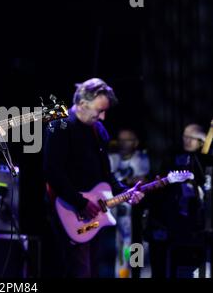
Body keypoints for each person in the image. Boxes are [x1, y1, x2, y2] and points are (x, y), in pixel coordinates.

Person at [43, 78, 145, 278]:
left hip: (94, 215)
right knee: (78, 271)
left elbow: (105, 174)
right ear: (82, 104)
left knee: (97, 270)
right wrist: (80, 201)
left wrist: (126, 192)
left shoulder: (98, 130)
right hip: (67, 212)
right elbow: (52, 172)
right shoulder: (59, 126)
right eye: (99, 111)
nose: (103, 117)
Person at [145, 123, 213, 277]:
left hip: (198, 222)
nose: (187, 141)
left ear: (202, 141)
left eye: (192, 138)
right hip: (171, 218)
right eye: (185, 136)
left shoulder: (205, 161)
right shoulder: (173, 156)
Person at [108, 129, 151, 278]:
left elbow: (140, 180)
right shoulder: (112, 158)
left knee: (135, 246)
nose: (123, 144)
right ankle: (121, 275)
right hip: (114, 214)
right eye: (120, 140)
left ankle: (136, 274)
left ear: (135, 143)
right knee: (119, 250)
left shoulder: (141, 158)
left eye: (127, 140)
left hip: (135, 214)